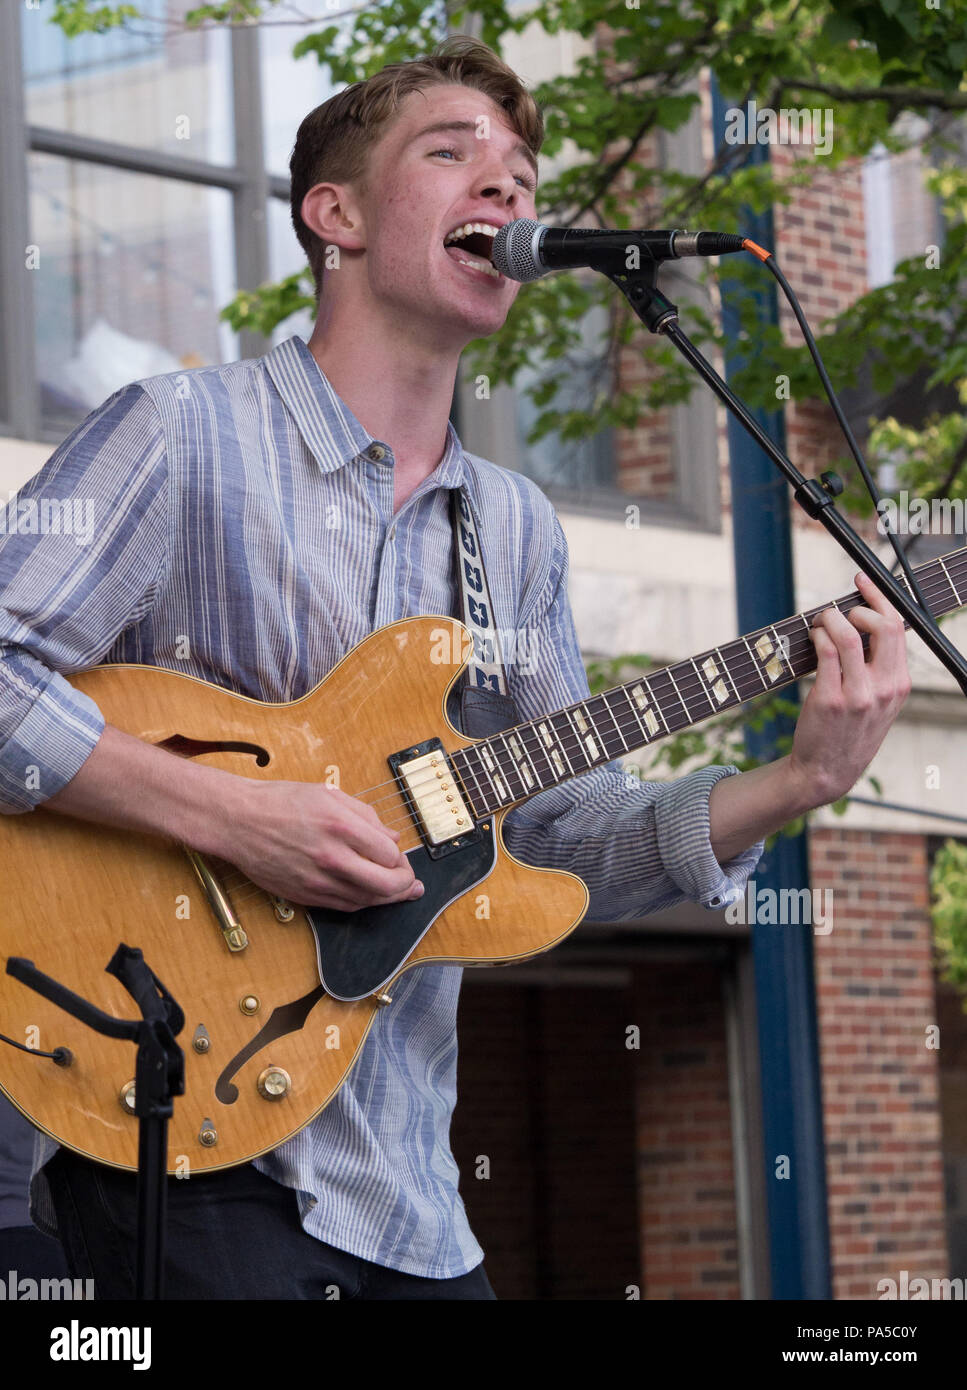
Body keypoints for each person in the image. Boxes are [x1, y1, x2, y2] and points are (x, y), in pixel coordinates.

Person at [0, 37, 910, 1300]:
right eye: (453, 154)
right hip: (171, 1136)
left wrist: (796, 780)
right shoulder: (182, 437)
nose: (507, 191)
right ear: (339, 217)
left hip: (408, 1200)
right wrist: (242, 817)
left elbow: (553, 837)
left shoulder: (514, 525)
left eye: (524, 176)